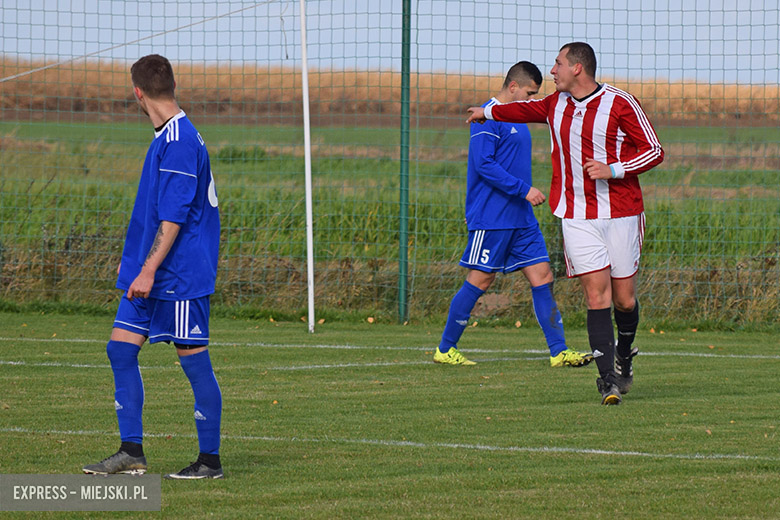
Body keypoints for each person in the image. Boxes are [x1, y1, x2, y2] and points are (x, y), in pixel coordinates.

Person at [467, 43, 664, 405]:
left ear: (577, 68)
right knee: (596, 295)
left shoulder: (620, 103)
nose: (552, 71)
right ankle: (608, 382)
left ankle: (624, 352)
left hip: (622, 213)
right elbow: (520, 108)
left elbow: (654, 150)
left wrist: (613, 169)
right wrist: (487, 111)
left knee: (624, 300)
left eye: (558, 64)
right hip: (575, 215)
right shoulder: (554, 104)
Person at [83, 54, 223, 478]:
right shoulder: (166, 135)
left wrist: (147, 271)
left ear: (138, 93)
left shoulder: (180, 140)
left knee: (193, 361)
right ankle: (131, 452)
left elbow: (174, 217)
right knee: (119, 349)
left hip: (178, 276)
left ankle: (209, 461)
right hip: (149, 273)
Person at [434, 61, 593, 369]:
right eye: (529, 94)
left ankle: (558, 352)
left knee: (543, 277)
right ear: (513, 87)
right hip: (492, 217)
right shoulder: (487, 116)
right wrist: (524, 190)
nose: (531, 100)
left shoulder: (518, 118)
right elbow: (484, 165)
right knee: (480, 281)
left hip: (521, 219)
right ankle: (445, 348)